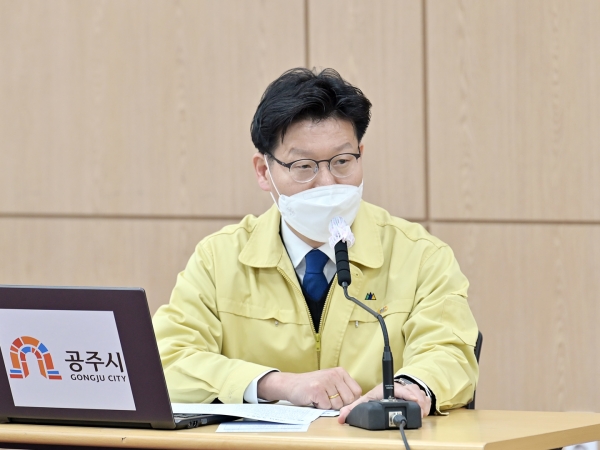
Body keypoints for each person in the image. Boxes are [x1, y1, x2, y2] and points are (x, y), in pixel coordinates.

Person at [152, 68, 479, 422]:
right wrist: (276, 384)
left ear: (361, 154)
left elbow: (451, 353)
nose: (326, 183)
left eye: (342, 162)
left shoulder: (420, 255)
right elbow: (166, 360)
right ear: (263, 171)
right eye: (304, 166)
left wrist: (407, 388)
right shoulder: (219, 259)